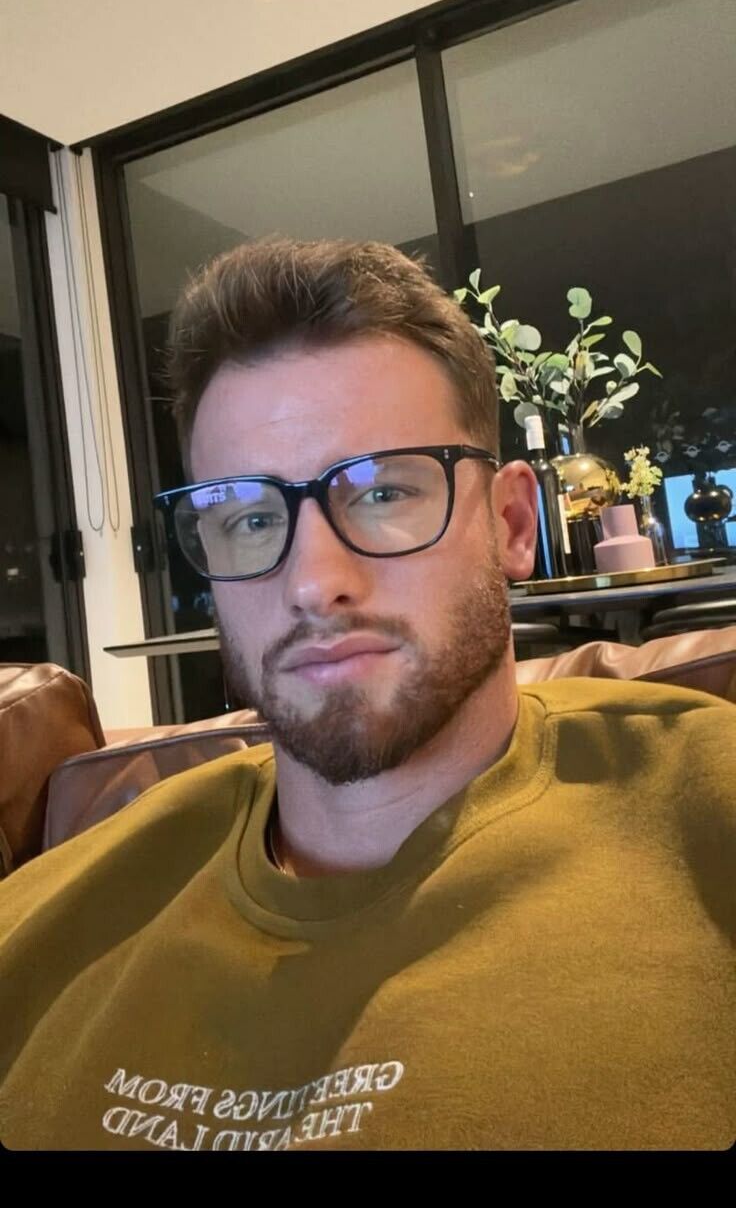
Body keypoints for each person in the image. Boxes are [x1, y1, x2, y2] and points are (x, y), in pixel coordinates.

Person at [0, 239, 734, 1153]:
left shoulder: (705, 806)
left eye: (383, 492)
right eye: (251, 517)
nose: (315, 583)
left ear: (511, 522)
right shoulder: (49, 917)